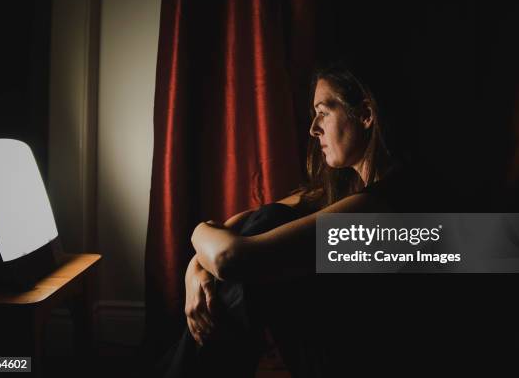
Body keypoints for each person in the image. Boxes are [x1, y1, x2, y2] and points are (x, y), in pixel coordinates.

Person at [157, 61, 403, 377]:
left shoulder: (379, 211)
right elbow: (230, 229)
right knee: (266, 220)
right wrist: (196, 271)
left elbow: (231, 256)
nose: (314, 128)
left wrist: (201, 247)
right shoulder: (338, 192)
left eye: (324, 112)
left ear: (366, 114)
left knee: (258, 242)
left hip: (355, 358)